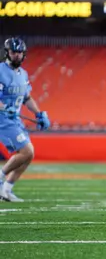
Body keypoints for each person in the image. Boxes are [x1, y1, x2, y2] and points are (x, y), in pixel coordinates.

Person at [0, 37, 51, 202]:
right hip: (3, 119)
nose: (17, 55)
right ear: (7, 52)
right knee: (26, 151)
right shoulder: (0, 70)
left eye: (19, 52)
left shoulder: (23, 74)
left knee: (28, 155)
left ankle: (6, 191)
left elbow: (27, 98)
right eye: (14, 52)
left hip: (15, 120)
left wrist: (39, 113)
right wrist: (4, 108)